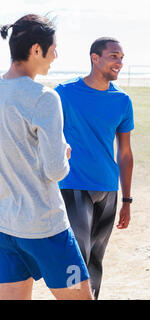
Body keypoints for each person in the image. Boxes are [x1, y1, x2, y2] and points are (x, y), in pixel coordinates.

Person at [0, 14, 93, 300]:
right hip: (46, 227)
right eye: (53, 48)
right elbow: (55, 170)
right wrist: (64, 153)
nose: (56, 55)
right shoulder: (44, 97)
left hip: (5, 226)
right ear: (36, 50)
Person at [55, 37, 134, 299]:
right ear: (95, 58)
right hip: (73, 185)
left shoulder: (122, 101)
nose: (119, 63)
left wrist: (127, 199)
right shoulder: (64, 93)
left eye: (121, 57)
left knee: (95, 259)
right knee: (75, 257)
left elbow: (124, 153)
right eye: (114, 56)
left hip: (108, 190)